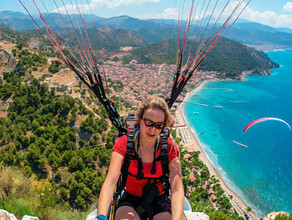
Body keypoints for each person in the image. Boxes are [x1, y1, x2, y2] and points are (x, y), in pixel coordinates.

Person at [97, 95, 184, 220]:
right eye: (149, 123)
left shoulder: (169, 147)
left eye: (158, 125)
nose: (153, 130)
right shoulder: (124, 144)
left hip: (159, 200)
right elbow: (110, 182)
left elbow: (177, 189)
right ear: (140, 119)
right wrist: (101, 216)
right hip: (130, 199)